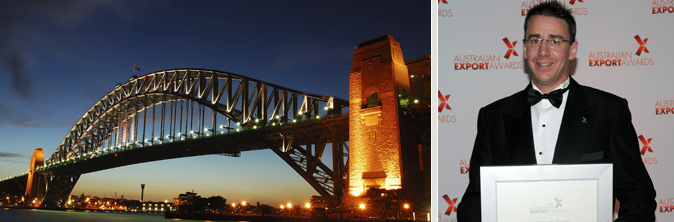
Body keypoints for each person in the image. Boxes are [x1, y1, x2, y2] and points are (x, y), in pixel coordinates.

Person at [456, 1, 657, 221]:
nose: (543, 51)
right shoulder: (492, 117)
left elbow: (639, 197)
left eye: (555, 40)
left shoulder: (609, 111)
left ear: (572, 50)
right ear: (524, 49)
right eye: (535, 40)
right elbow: (475, 200)